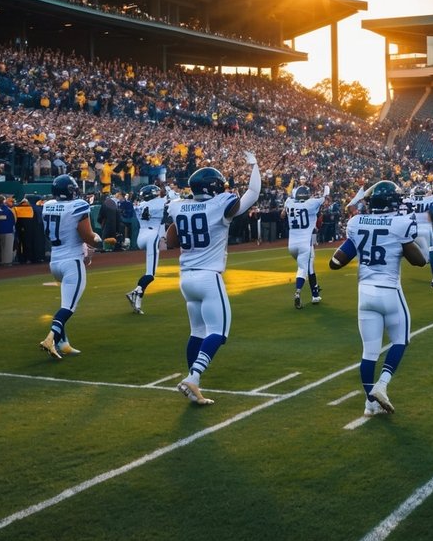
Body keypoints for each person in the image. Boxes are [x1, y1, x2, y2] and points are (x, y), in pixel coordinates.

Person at [166, 155, 262, 406]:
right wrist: (254, 165)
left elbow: (171, 242)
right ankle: (194, 377)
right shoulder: (221, 203)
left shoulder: (178, 206)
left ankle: (193, 381)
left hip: (186, 278)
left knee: (197, 331)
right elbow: (252, 193)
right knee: (219, 332)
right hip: (209, 276)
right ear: (214, 187)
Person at [328, 180, 427, 416]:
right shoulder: (400, 223)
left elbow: (336, 262)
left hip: (365, 293)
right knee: (400, 340)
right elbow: (419, 261)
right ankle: (382, 384)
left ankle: (369, 405)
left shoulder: (356, 222)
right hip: (390, 291)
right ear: (393, 201)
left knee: (369, 352)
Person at [38, 174, 102, 360]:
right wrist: (99, 240)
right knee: (68, 307)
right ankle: (50, 338)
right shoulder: (78, 205)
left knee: (64, 303)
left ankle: (62, 343)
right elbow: (87, 236)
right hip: (71, 261)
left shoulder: (48, 206)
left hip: (55, 261)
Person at [284, 181, 331, 308]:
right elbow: (324, 199)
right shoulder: (311, 203)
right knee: (303, 269)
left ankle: (315, 294)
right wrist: (326, 189)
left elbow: (284, 211)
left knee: (309, 265)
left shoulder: (289, 203)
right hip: (305, 243)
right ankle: (298, 292)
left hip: (291, 245)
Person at [126, 183, 169, 314]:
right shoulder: (160, 202)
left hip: (141, 237)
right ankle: (135, 292)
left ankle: (137, 299)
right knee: (150, 274)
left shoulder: (141, 205)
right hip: (152, 235)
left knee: (149, 274)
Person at [406, 183, 433, 287]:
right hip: (426, 229)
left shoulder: (409, 201)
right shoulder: (429, 200)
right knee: (431, 250)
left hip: (413, 229)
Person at [0, 195, 16, 266]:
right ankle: (7, 262)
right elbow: (14, 220)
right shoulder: (8, 209)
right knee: (8, 247)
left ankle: (3, 261)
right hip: (8, 231)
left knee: (2, 247)